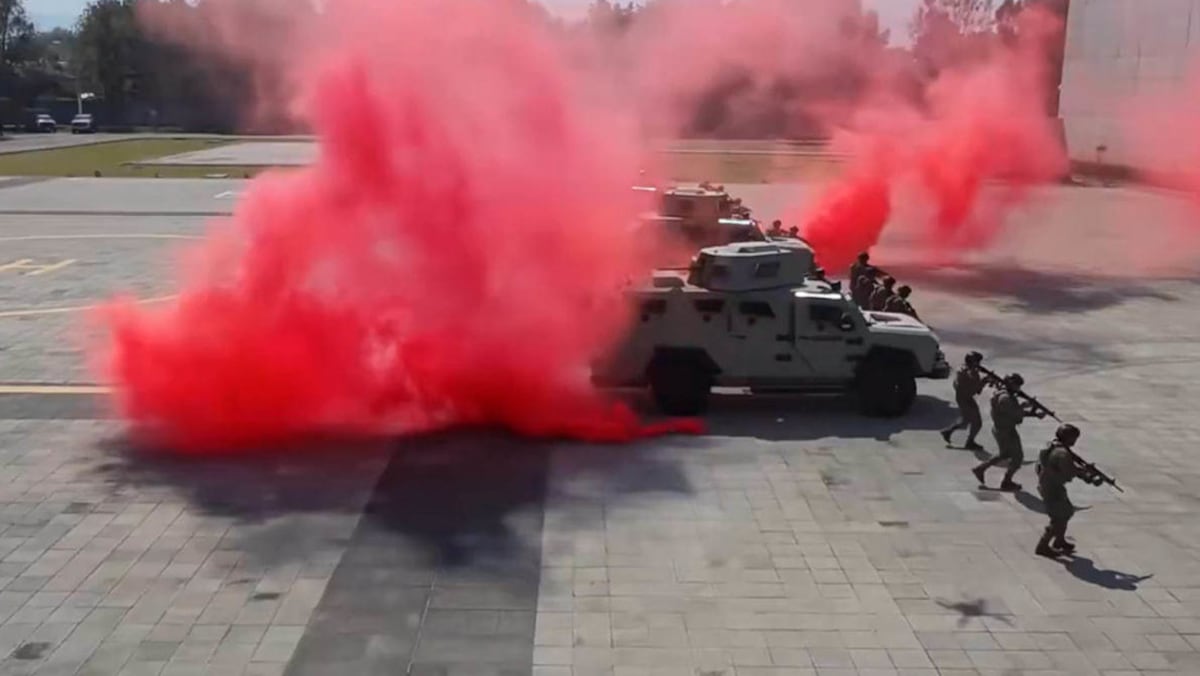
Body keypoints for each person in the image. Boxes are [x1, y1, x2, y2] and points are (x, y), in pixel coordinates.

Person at [972, 373, 1046, 490]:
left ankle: (981, 469)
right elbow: (1014, 413)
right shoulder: (1005, 398)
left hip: (1003, 429)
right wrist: (1032, 411)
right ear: (1011, 384)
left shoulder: (1004, 394)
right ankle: (1007, 481)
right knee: (1018, 458)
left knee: (1004, 454)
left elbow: (1013, 411)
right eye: (1017, 386)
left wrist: (1030, 410)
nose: (1019, 389)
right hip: (1006, 431)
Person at [1036, 424, 1082, 557]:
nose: (1075, 440)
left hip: (1050, 484)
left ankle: (1059, 540)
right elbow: (1069, 471)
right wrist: (1083, 472)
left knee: (1067, 511)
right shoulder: (1063, 453)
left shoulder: (1054, 446)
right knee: (1058, 518)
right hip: (1052, 488)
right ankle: (1042, 545)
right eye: (1074, 438)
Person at [941, 352, 986, 451]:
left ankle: (948, 432)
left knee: (966, 420)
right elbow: (976, 390)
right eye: (977, 361)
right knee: (977, 423)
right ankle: (970, 442)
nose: (979, 364)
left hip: (964, 398)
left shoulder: (963, 369)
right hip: (965, 399)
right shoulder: (969, 373)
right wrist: (983, 382)